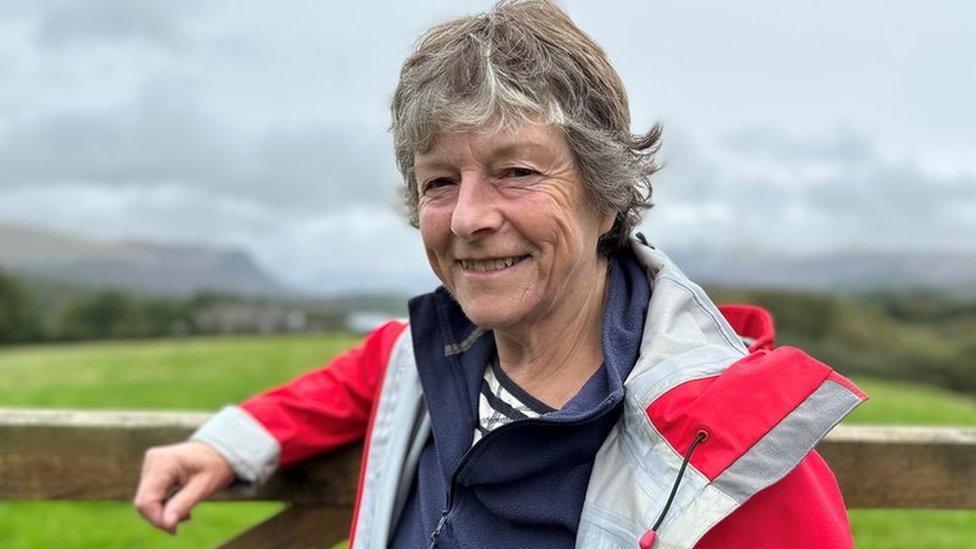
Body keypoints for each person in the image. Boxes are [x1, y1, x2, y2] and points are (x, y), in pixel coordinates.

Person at [134, 1, 867, 547]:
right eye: (440, 181)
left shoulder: (728, 450)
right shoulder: (435, 352)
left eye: (516, 171)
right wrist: (224, 445)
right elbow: (360, 377)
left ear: (605, 194)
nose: (467, 219)